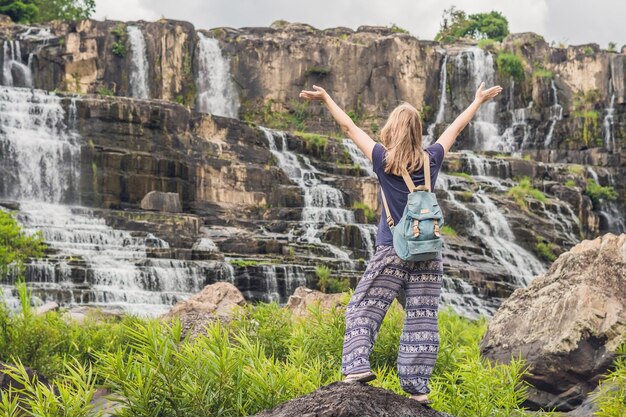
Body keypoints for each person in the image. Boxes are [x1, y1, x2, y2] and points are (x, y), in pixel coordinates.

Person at [299, 82, 502, 404]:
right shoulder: (431, 158)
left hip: (391, 248)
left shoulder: (383, 159)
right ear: (419, 131)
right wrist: (477, 100)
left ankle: (356, 367)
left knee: (364, 307)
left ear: (391, 130)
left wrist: (326, 98)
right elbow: (456, 127)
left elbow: (348, 126)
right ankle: (417, 388)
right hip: (428, 251)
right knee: (422, 317)